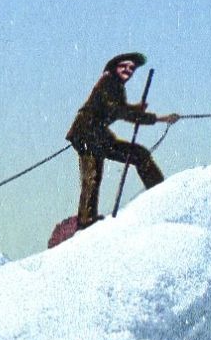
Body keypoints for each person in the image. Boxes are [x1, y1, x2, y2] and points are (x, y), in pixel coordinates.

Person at [66, 52, 180, 229]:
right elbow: (119, 111)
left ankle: (87, 219)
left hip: (96, 135)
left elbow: (119, 108)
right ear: (114, 67)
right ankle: (86, 220)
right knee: (94, 174)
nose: (129, 70)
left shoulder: (115, 85)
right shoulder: (109, 82)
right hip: (87, 134)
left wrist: (136, 110)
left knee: (134, 156)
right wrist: (158, 119)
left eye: (132, 68)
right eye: (124, 66)